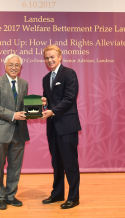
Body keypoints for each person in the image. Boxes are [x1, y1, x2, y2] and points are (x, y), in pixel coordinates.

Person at [41, 45, 81, 209]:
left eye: (52, 57)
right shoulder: (45, 78)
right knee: (56, 163)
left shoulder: (69, 73)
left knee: (70, 163)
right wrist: (44, 103)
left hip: (67, 126)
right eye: (47, 58)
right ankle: (57, 194)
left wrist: (52, 110)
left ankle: (74, 197)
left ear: (60, 57)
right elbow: (50, 100)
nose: (50, 60)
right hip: (52, 127)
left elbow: (70, 97)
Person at [0, 54, 29, 210]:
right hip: (1, 131)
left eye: (17, 65)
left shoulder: (24, 84)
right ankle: (0, 196)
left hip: (19, 132)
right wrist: (13, 115)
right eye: (11, 64)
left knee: (15, 165)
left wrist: (38, 104)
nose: (14, 67)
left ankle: (11, 195)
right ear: (5, 66)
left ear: (20, 67)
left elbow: (25, 106)